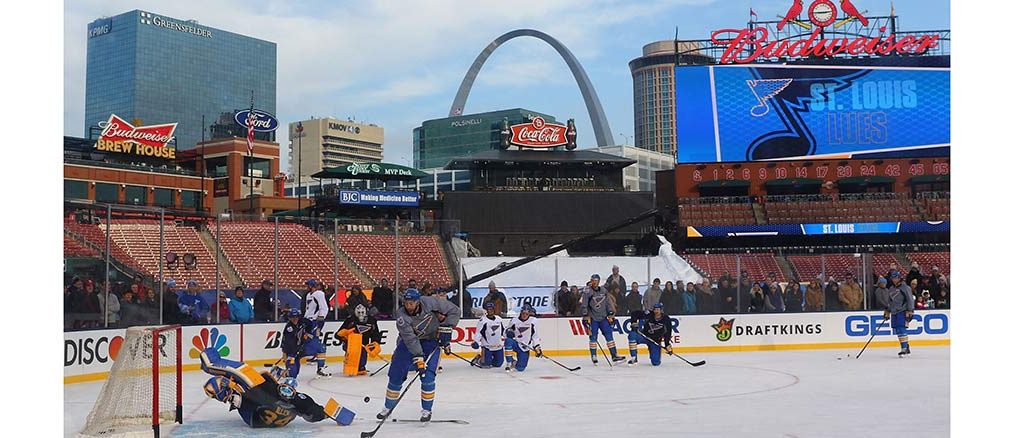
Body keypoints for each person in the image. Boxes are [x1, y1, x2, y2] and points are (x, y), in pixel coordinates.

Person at [200, 347, 355, 428]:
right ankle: (233, 397)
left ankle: (232, 397)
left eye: (288, 391)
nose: (286, 393)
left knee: (228, 384)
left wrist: (210, 362)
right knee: (245, 387)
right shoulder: (300, 401)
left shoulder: (262, 388)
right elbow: (315, 413)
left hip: (252, 418)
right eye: (285, 389)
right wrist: (329, 414)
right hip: (266, 419)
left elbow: (239, 370)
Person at [379, 288, 461, 423]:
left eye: (412, 302)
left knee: (427, 376)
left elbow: (455, 311)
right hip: (407, 344)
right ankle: (388, 408)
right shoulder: (401, 316)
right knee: (396, 373)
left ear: (418, 301)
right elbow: (410, 339)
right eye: (406, 302)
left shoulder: (431, 302)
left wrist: (446, 327)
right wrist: (419, 357)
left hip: (431, 342)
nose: (409, 305)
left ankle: (426, 410)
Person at [580, 274, 625, 365]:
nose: (594, 282)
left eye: (596, 280)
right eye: (593, 280)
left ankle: (614, 355)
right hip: (593, 318)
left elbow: (608, 302)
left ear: (599, 281)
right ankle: (594, 356)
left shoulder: (604, 290)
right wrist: (585, 315)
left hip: (603, 318)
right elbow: (584, 304)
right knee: (593, 337)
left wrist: (610, 312)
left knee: (609, 336)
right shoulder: (587, 291)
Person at [280, 308, 330, 378]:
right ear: (289, 318)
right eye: (292, 317)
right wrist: (285, 353)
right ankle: (279, 372)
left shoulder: (303, 321)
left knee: (321, 347)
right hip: (292, 352)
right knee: (293, 375)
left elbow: (311, 324)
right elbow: (286, 342)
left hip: (302, 349)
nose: (295, 319)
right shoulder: (289, 328)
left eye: (296, 317)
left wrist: (307, 333)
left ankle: (320, 369)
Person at [876, 271, 915, 357]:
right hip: (894, 311)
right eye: (893, 278)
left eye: (896, 278)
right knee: (897, 329)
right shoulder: (891, 289)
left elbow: (910, 299)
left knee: (901, 328)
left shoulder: (905, 288)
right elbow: (890, 301)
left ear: (899, 278)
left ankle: (904, 348)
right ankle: (906, 346)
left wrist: (910, 310)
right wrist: (887, 311)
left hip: (903, 311)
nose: (894, 280)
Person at [337, 304, 381, 376]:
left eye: (362, 312)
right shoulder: (350, 320)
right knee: (353, 357)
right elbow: (338, 334)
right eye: (359, 312)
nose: (360, 314)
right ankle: (350, 367)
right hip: (351, 344)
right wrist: (344, 336)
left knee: (361, 365)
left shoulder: (372, 320)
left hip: (364, 344)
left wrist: (375, 343)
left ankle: (361, 367)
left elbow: (375, 333)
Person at [504, 304, 542, 372]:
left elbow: (535, 336)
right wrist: (509, 332)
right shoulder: (514, 321)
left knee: (520, 368)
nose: (525, 315)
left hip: (525, 347)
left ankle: (514, 363)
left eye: (527, 314)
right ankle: (509, 363)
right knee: (508, 341)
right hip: (515, 343)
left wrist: (537, 348)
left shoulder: (533, 321)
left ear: (529, 314)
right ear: (521, 312)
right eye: (523, 313)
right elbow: (505, 332)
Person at [470, 302, 505, 368]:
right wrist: (476, 341)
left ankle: (489, 360)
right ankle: (479, 359)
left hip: (498, 346)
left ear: (494, 310)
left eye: (491, 309)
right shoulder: (483, 320)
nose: (490, 311)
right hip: (487, 347)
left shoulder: (499, 319)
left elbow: (503, 331)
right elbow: (478, 332)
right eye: (488, 309)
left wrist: (509, 335)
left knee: (498, 364)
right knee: (486, 364)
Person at [304, 280, 329, 346]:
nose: (306, 287)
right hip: (308, 320)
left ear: (311, 286)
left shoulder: (319, 294)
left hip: (315, 320)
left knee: (314, 337)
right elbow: (308, 309)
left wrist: (320, 320)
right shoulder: (308, 295)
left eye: (307, 285)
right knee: (307, 337)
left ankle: (317, 352)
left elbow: (323, 307)